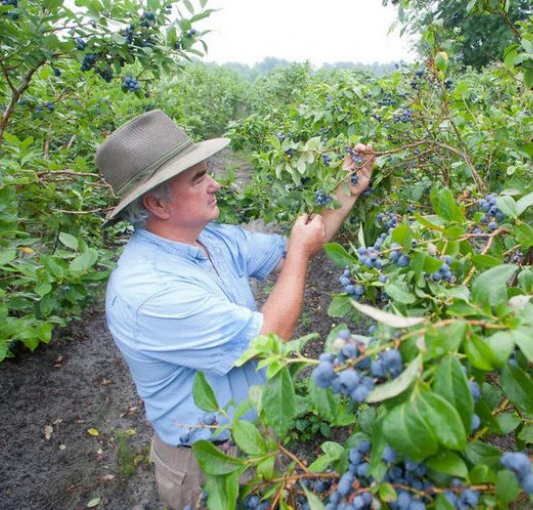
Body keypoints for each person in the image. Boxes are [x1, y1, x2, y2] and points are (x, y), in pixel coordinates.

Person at [94, 109, 374, 509]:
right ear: (157, 203)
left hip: (252, 436)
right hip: (206, 462)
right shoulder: (148, 292)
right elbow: (270, 337)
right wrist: (297, 252)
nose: (216, 184)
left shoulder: (211, 239)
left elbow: (306, 244)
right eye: (199, 179)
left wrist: (348, 187)